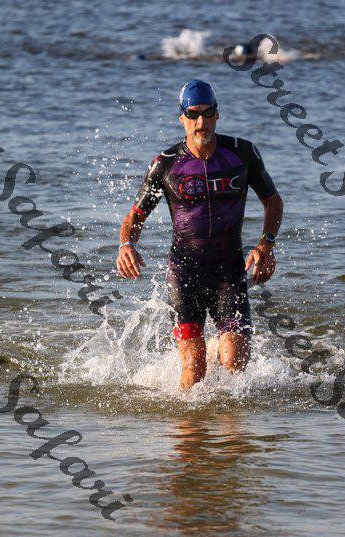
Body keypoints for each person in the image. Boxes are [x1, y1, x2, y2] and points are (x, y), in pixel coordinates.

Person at [116, 79, 283, 390]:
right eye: (193, 114)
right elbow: (134, 217)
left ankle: (225, 419)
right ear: (181, 117)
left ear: (218, 114)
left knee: (235, 362)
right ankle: (189, 421)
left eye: (208, 113)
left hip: (229, 271)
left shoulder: (242, 154)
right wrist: (126, 244)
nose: (201, 122)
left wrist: (266, 246)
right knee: (194, 368)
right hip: (184, 271)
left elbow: (272, 201)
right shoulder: (165, 164)